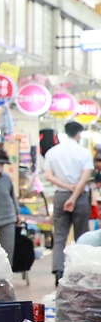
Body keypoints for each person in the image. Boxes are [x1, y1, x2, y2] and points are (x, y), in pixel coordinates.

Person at [43, 121, 93, 283]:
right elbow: (85, 178)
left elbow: (49, 176)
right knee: (82, 236)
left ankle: (58, 272)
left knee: (59, 236)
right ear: (79, 133)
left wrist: (66, 187)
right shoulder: (84, 153)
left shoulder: (52, 152)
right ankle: (81, 273)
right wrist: (74, 195)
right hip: (79, 198)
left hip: (60, 196)